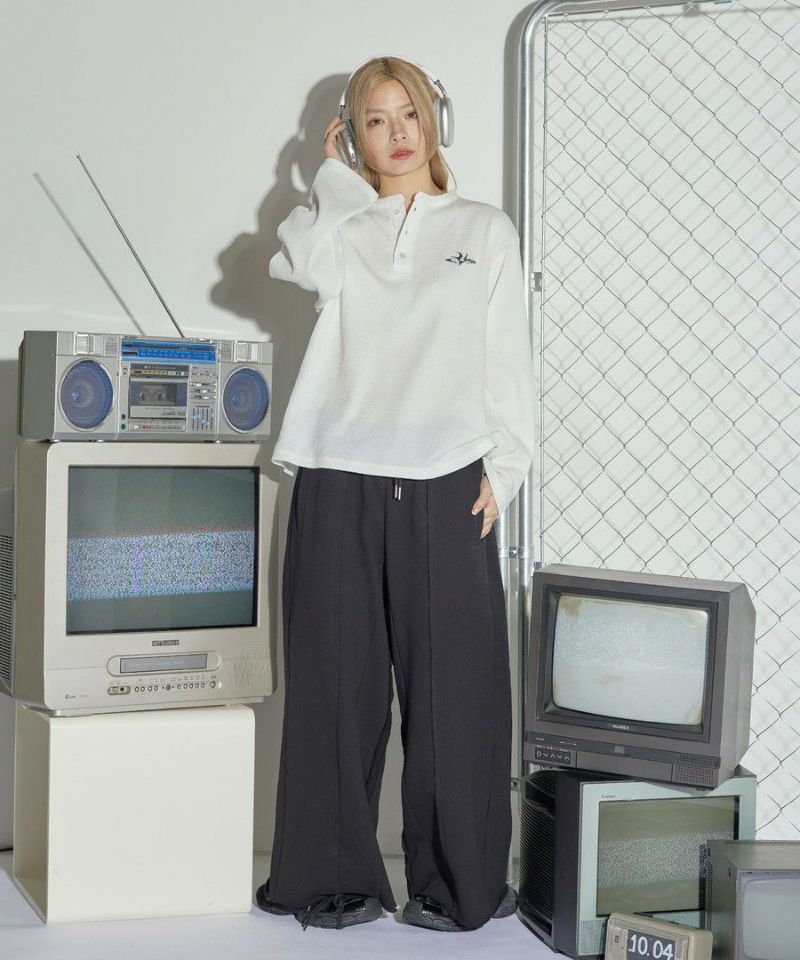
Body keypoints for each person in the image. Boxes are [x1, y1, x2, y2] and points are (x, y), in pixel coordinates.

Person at [256, 55, 535, 933]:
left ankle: (458, 884)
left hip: (449, 476)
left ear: (433, 117)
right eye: (374, 121)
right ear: (353, 135)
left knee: (456, 692)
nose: (398, 133)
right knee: (335, 691)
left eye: (408, 112)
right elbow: (299, 264)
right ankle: (329, 881)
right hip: (338, 472)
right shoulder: (340, 226)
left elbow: (507, 357)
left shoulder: (483, 228)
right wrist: (335, 181)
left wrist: (506, 469)